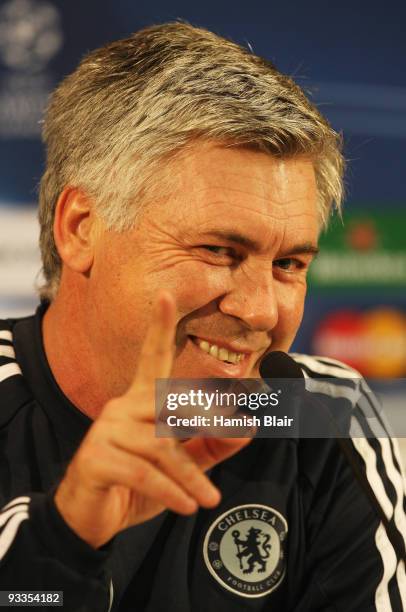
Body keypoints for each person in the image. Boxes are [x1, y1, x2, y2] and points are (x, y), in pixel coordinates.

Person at [0, 21, 404, 612]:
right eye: (220, 251)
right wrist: (64, 543)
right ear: (81, 229)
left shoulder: (314, 413)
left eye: (289, 263)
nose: (262, 309)